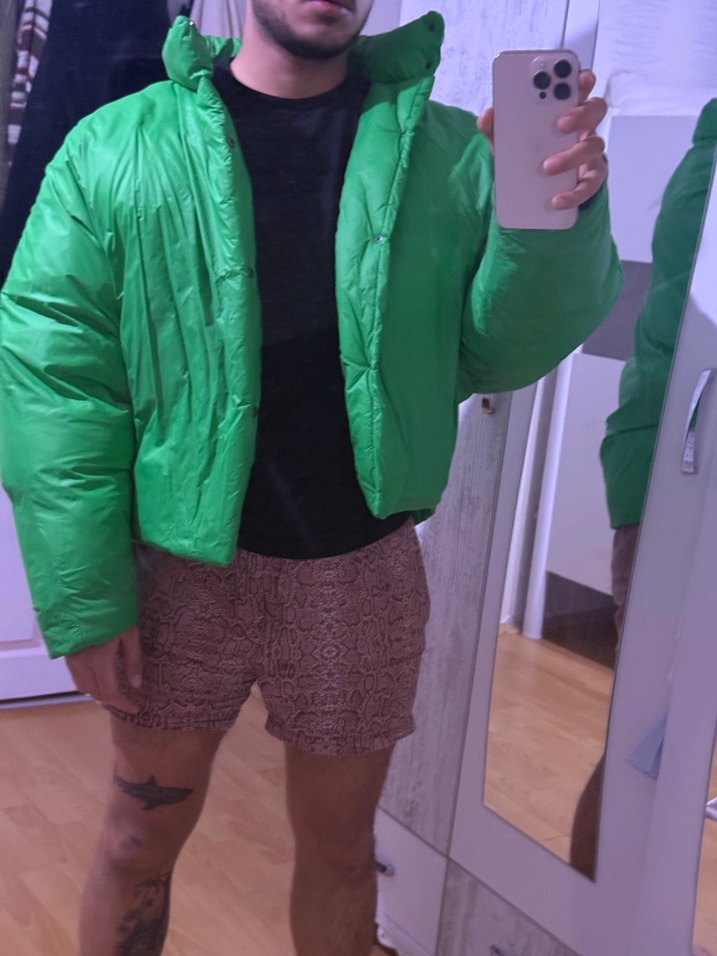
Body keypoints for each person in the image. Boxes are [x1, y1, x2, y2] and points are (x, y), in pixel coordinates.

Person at [0, 2, 621, 954]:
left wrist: (550, 226)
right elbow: (55, 373)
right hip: (176, 569)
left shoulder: (450, 151)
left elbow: (497, 353)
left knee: (340, 850)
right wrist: (86, 593)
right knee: (135, 839)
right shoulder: (115, 144)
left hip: (358, 567)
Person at [570, 98, 717, 882]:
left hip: (667, 456)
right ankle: (593, 921)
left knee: (660, 732)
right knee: (650, 735)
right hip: (680, 465)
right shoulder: (711, 160)